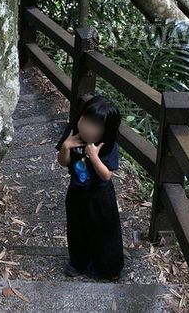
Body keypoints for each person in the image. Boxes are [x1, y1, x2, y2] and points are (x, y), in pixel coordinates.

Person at [54, 94, 124, 280]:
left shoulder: (106, 145)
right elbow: (63, 162)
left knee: (104, 232)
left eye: (96, 126)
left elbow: (107, 175)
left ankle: (107, 267)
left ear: (106, 131)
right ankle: (78, 262)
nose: (87, 128)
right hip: (77, 191)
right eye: (86, 121)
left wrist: (94, 156)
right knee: (76, 228)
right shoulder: (72, 134)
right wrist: (66, 147)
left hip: (100, 197)